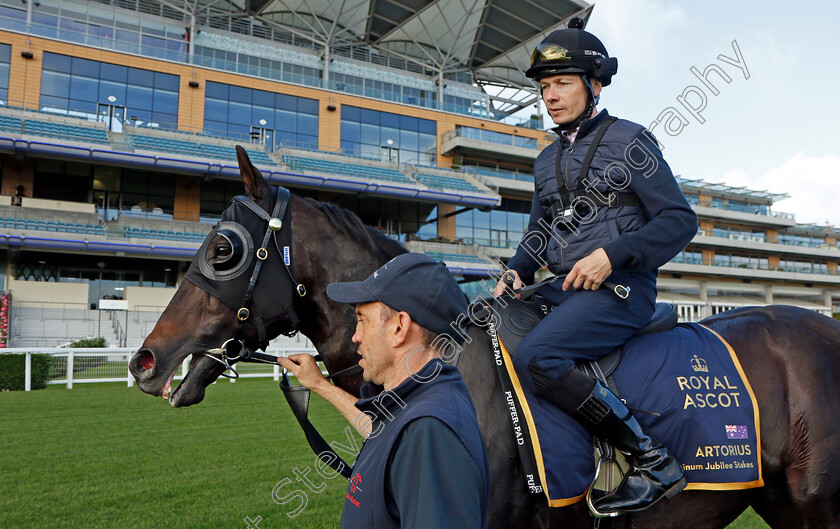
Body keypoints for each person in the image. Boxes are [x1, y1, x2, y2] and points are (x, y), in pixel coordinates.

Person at [493, 17, 698, 515]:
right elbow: (538, 240)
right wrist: (518, 269)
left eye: (562, 83)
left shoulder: (631, 140)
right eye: (545, 87)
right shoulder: (544, 161)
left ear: (594, 85)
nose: (551, 96)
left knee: (539, 357)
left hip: (623, 291)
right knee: (485, 326)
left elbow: (678, 221)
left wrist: (612, 256)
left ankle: (651, 460)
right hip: (567, 289)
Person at [279, 253, 489, 529]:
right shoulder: (418, 402)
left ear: (399, 327)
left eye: (362, 319)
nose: (356, 336)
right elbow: (384, 433)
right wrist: (319, 385)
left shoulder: (429, 431)